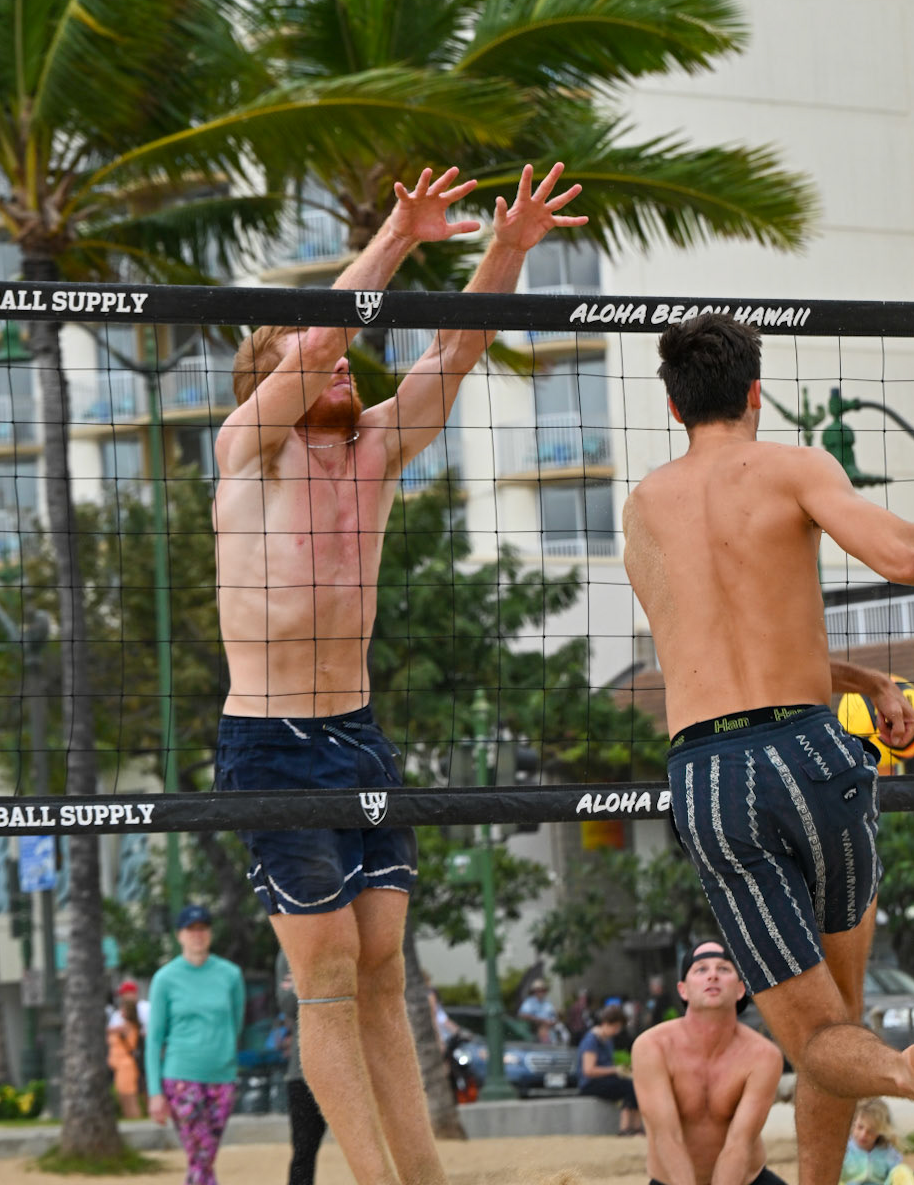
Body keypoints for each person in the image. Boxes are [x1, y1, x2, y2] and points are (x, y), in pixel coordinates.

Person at [213, 161, 586, 1185]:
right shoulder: (247, 446)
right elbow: (327, 333)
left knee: (385, 977)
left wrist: (506, 244)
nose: (340, 370)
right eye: (314, 363)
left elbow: (459, 346)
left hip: (359, 732)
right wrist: (399, 232)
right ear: (271, 380)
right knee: (327, 978)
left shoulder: (376, 446)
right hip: (271, 743)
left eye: (340, 367)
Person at [622, 316, 914, 1185]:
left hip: (712, 773)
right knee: (838, 1019)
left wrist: (867, 680)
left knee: (818, 1038)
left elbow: (700, 642)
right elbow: (903, 557)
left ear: (670, 405)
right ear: (754, 393)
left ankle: (895, 1072)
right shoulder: (794, 465)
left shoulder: (644, 505)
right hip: (812, 753)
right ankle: (889, 1082)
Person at [631, 939, 786, 1185]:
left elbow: (740, 1142)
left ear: (739, 989)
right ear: (683, 989)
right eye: (701, 969)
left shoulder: (763, 1054)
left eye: (723, 969)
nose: (712, 975)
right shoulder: (652, 1047)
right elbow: (667, 1136)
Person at [147, 905, 246, 1185]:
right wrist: (155, 1092)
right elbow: (154, 1040)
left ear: (210, 933)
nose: (197, 935)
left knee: (204, 1156)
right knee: (201, 1155)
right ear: (180, 935)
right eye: (191, 929)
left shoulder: (231, 976)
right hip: (181, 1079)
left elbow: (235, 1024)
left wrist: (226, 1056)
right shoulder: (165, 979)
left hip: (222, 1078)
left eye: (202, 928)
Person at [280, 966, 327, 1185]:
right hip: (303, 1072)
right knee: (304, 1152)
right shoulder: (288, 947)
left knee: (370, 1150)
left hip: (357, 1068)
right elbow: (288, 1005)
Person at [578, 1005, 642, 1134]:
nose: (616, 1031)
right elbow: (588, 1070)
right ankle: (626, 1127)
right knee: (628, 1087)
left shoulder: (607, 1040)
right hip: (590, 1083)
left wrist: (624, 1071)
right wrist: (615, 1070)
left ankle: (635, 1127)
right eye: (615, 1027)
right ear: (606, 1023)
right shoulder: (591, 1040)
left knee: (635, 1083)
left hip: (604, 1080)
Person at [840, 1101, 914, 1185]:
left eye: (871, 1131)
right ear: (853, 1124)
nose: (863, 1134)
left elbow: (896, 1175)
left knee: (902, 1170)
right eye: (860, 1127)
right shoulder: (844, 1150)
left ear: (880, 1132)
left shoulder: (887, 1152)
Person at [108, 979, 145, 1119]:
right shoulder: (122, 1022)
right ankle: (131, 1117)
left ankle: (135, 1118)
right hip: (119, 1065)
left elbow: (110, 1030)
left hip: (126, 1065)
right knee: (123, 1097)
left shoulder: (127, 1026)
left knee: (129, 1097)